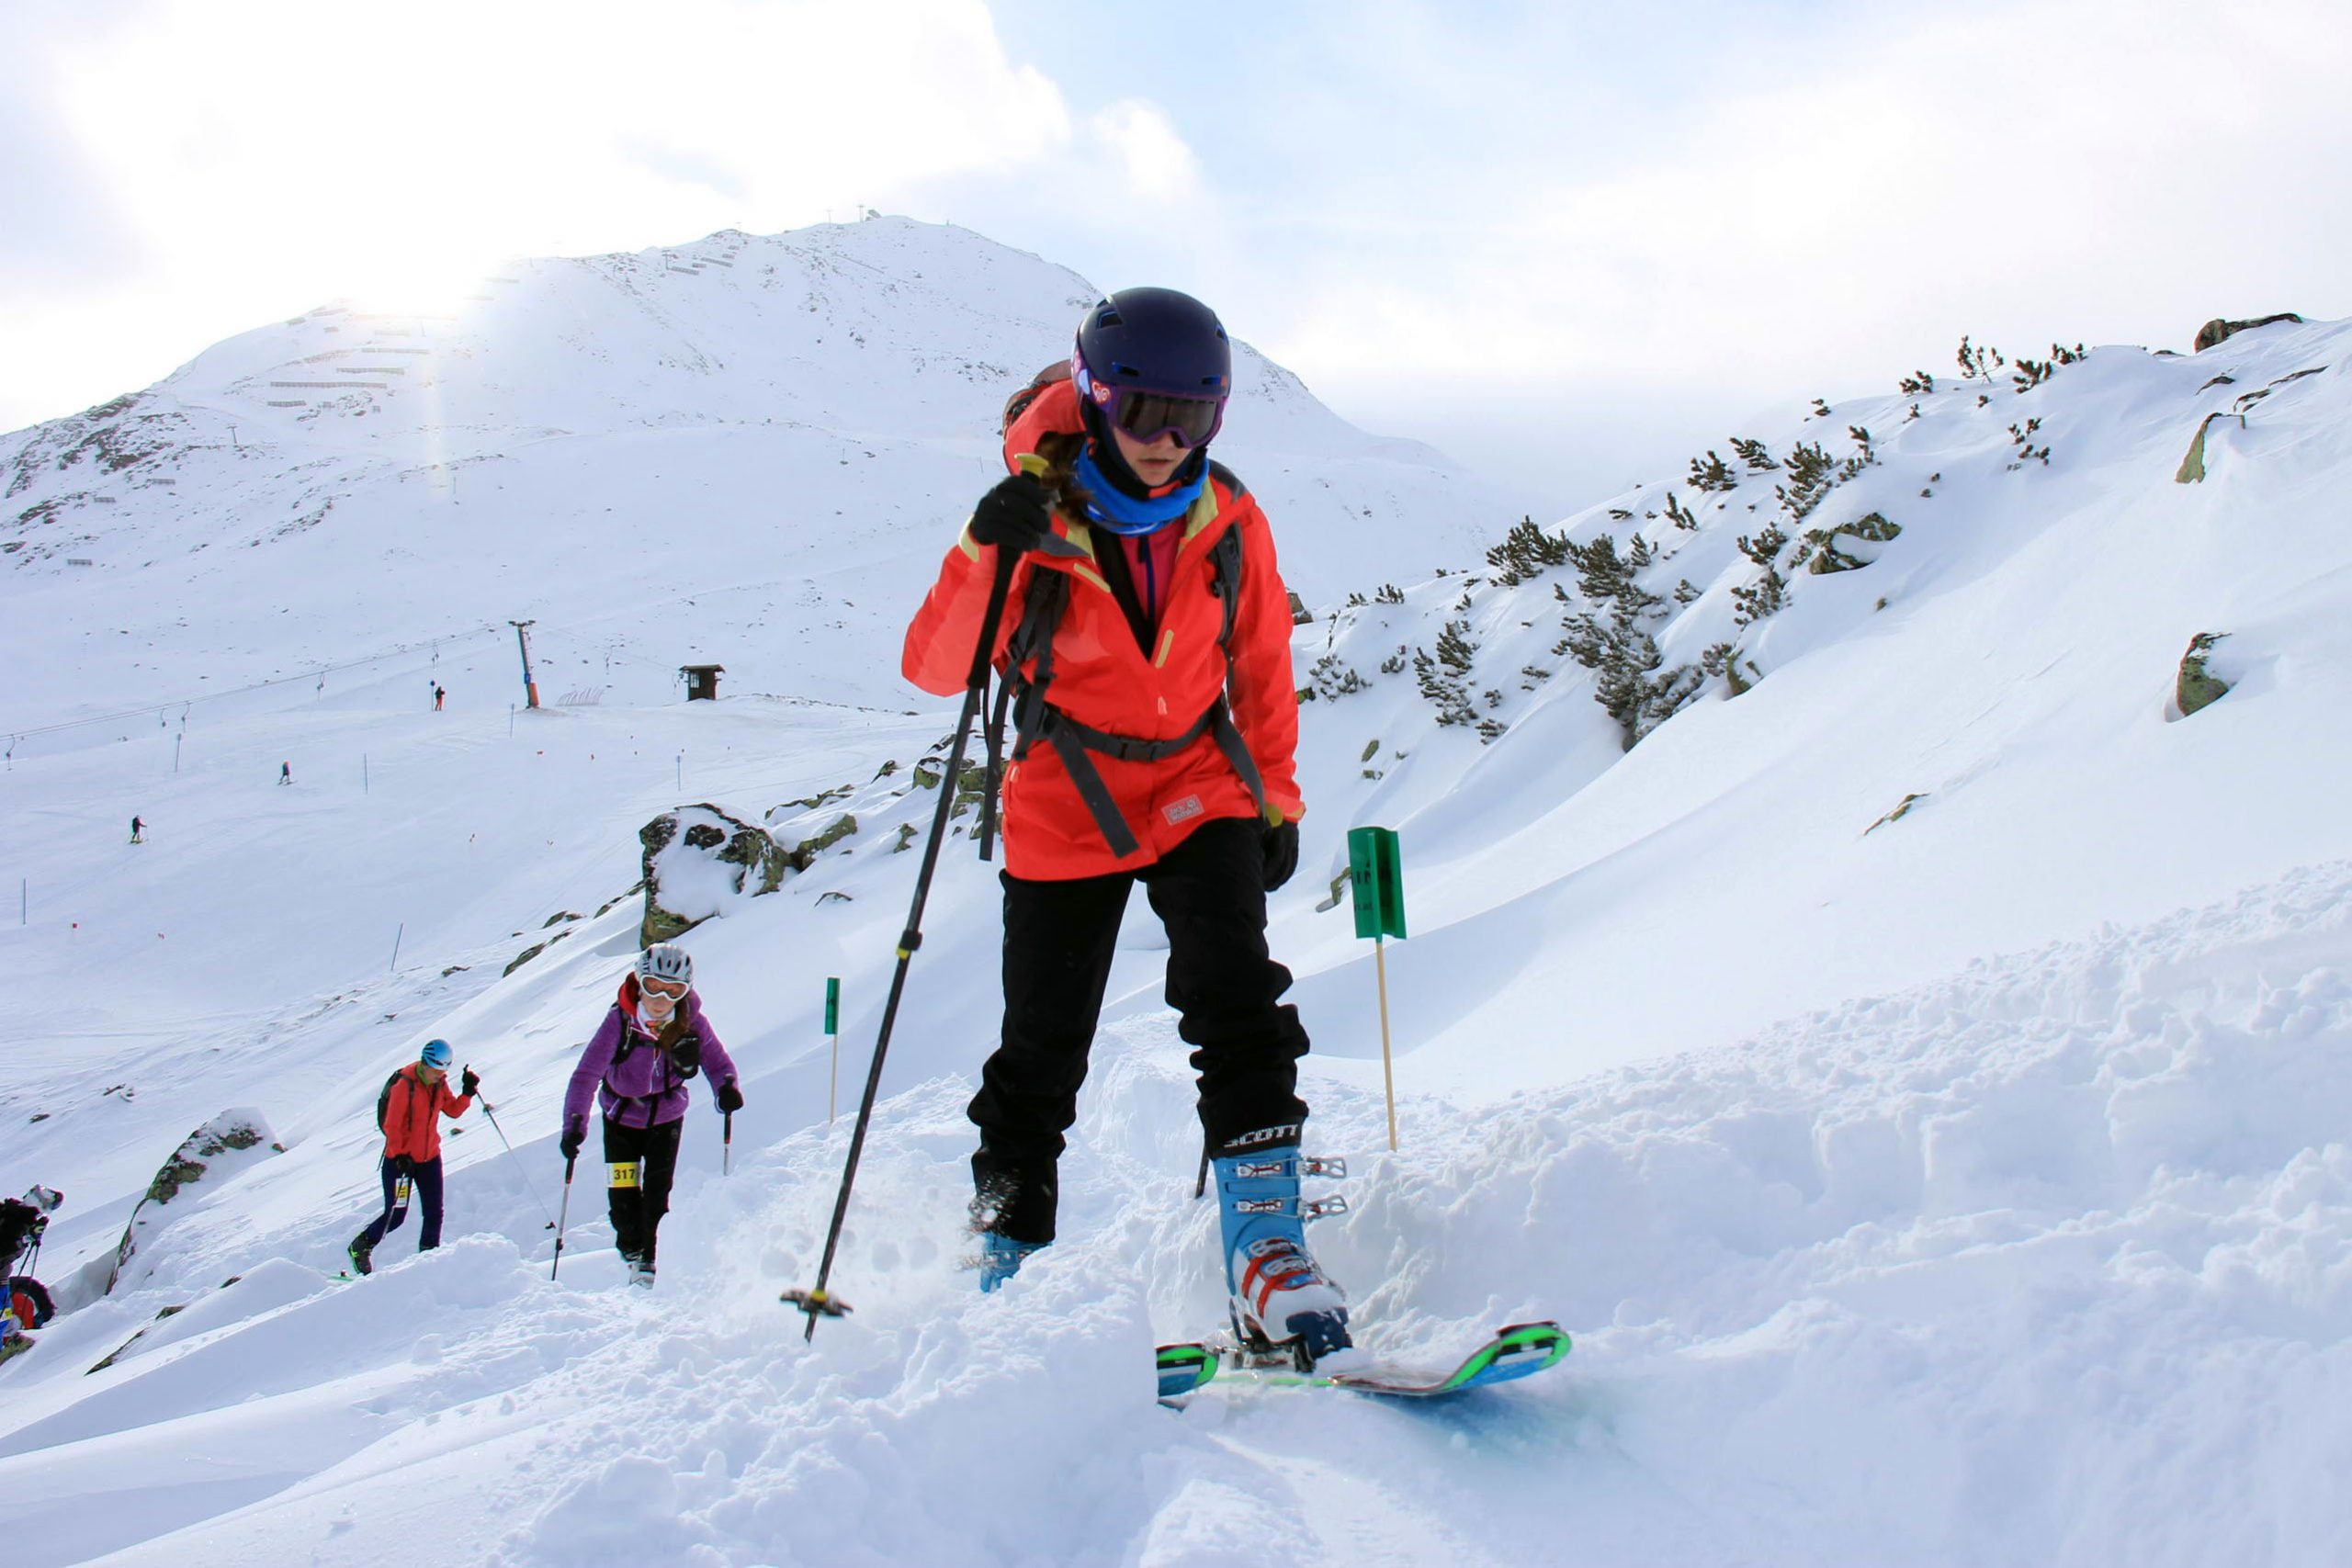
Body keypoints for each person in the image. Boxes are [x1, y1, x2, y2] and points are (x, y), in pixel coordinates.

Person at [899, 287, 1357, 1367]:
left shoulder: (1228, 518)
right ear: (1096, 398)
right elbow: (936, 669)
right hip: (1067, 793)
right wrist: (979, 548)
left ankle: (1267, 1252)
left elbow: (1260, 666)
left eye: (1192, 418)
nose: (1164, 441)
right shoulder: (1028, 515)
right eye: (1142, 410)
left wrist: (1277, 800)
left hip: (1199, 779)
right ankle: (1005, 1253)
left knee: (1236, 995)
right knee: (1042, 1047)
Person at [560, 945, 743, 1288]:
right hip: (621, 1120)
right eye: (653, 985)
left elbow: (716, 1061)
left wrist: (726, 1087)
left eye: (674, 991)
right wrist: (574, 1125)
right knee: (623, 1200)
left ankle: (650, 1262)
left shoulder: (691, 1022)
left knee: (659, 1193)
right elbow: (586, 1075)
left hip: (667, 1119)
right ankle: (632, 1249)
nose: (661, 998)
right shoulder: (620, 1022)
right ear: (638, 981)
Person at [346, 1040, 477, 1275]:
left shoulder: (439, 1084)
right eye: (437, 1071)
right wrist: (399, 1156)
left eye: (443, 1071)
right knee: (396, 1216)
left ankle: (429, 1261)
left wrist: (467, 1093)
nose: (440, 1076)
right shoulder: (404, 1086)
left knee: (434, 1212)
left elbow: (453, 1111)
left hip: (430, 1159)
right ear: (425, 1064)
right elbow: (392, 1125)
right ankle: (361, 1246)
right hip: (400, 1163)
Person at [2, 1186, 63, 1362]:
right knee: (4, 1319)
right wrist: (25, 1239)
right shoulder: (12, 1223)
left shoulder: (11, 1218)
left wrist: (25, 1238)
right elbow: (5, 1250)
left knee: (5, 1318)